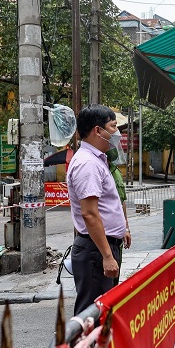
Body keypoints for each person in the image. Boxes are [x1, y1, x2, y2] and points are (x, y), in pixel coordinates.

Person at [66, 104, 130, 315]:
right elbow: (90, 213)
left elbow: (108, 204)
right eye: (112, 126)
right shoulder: (88, 164)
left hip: (103, 248)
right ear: (97, 130)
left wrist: (122, 230)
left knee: (102, 314)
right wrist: (107, 256)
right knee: (91, 316)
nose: (116, 133)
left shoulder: (97, 160)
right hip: (96, 251)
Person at [106, 147, 131, 286]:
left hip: (117, 240)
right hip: (103, 240)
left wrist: (126, 228)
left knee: (114, 282)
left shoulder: (116, 172)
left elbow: (122, 203)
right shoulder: (97, 170)